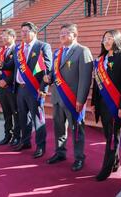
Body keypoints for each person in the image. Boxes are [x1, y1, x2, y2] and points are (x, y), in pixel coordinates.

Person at [43, 23, 93, 171]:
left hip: (73, 100)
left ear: (75, 35)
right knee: (59, 128)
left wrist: (81, 99)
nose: (62, 36)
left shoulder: (83, 51)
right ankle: (60, 152)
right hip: (58, 98)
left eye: (65, 33)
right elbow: (54, 72)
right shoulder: (58, 52)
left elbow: (85, 79)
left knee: (76, 129)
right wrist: (49, 78)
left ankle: (79, 157)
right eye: (61, 33)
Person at [91, 30, 121, 181]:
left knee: (111, 138)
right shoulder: (100, 59)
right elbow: (96, 85)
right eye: (104, 38)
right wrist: (94, 103)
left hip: (115, 105)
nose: (107, 41)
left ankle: (106, 169)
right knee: (109, 135)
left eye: (110, 38)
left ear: (117, 39)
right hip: (102, 104)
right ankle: (115, 162)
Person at [13, 22, 52, 159]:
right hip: (20, 88)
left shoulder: (42, 46)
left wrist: (43, 89)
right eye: (21, 31)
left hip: (35, 89)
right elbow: (14, 67)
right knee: (23, 117)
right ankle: (26, 141)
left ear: (34, 32)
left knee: (37, 119)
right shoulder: (18, 48)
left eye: (26, 31)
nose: (23, 33)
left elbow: (47, 69)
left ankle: (40, 146)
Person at [0, 28, 21, 146]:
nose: (3, 38)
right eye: (2, 36)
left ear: (13, 37)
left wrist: (6, 81)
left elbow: (16, 69)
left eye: (6, 36)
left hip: (13, 86)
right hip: (2, 87)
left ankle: (17, 136)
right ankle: (7, 134)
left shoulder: (17, 50)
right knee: (6, 112)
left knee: (16, 112)